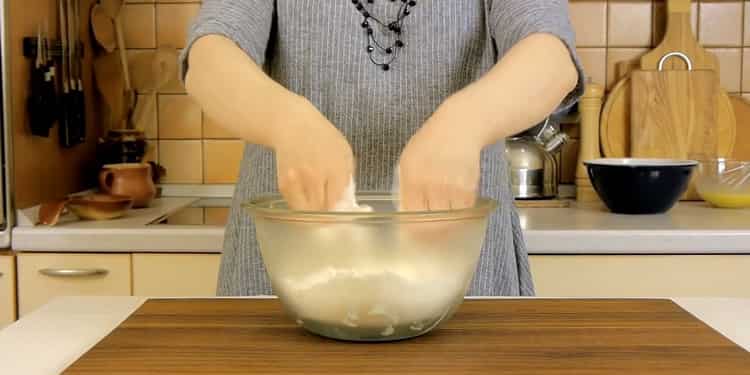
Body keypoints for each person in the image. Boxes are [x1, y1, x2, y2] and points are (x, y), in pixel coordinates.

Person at [181, 0, 583, 296]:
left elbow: (550, 56)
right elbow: (210, 55)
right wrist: (287, 121)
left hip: (462, 272)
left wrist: (464, 122)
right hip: (282, 272)